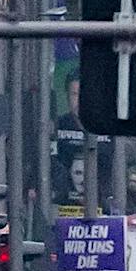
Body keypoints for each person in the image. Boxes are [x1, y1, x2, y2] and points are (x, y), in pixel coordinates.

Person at [51, 75, 86, 206]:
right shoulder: (57, 127)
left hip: (103, 208)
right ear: (67, 97)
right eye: (74, 94)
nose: (79, 100)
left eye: (84, 95)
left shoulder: (108, 128)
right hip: (62, 206)